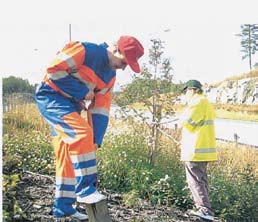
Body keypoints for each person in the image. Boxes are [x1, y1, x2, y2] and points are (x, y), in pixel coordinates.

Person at [35, 36, 144, 220]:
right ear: (117, 50)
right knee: (80, 133)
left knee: (67, 153)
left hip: (72, 106)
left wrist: (95, 140)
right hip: (50, 97)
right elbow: (53, 69)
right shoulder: (85, 51)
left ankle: (63, 208)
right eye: (124, 62)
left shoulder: (110, 78)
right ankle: (85, 189)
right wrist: (82, 91)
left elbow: (100, 110)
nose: (124, 68)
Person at [179, 79, 218, 221]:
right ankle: (204, 210)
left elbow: (188, 123)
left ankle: (205, 211)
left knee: (195, 181)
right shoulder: (205, 102)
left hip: (195, 149)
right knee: (201, 180)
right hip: (202, 149)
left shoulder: (197, 102)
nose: (185, 95)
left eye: (186, 91)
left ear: (191, 90)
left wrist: (182, 114)